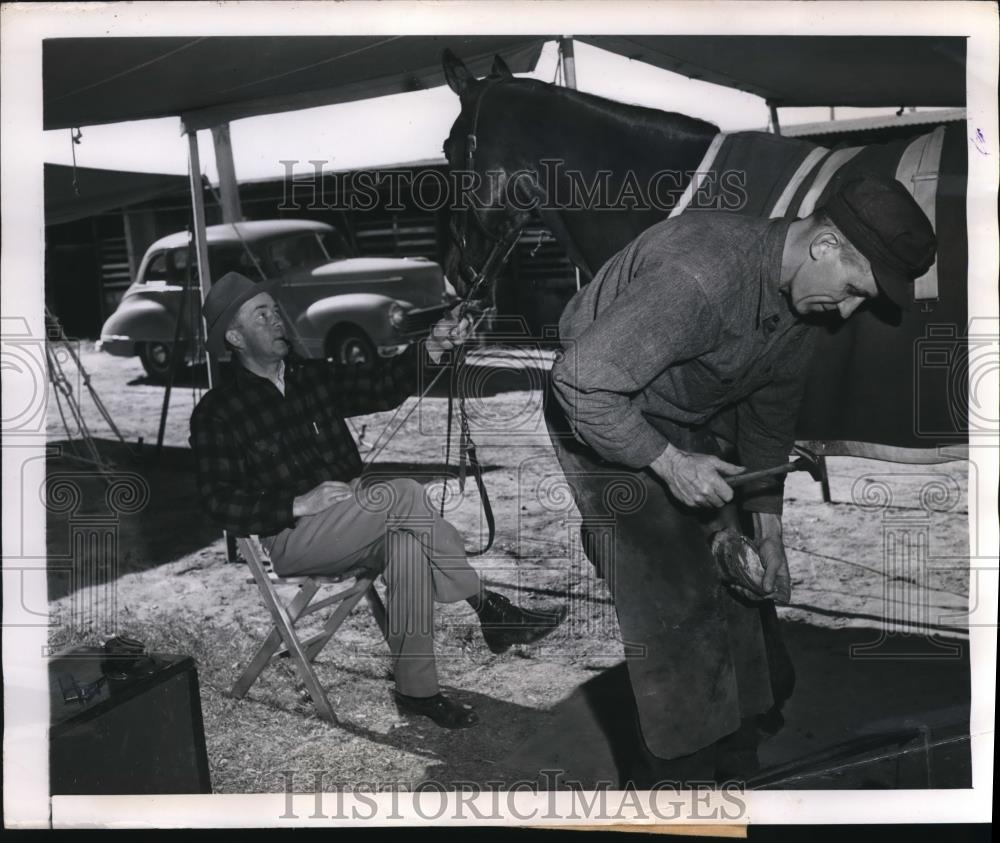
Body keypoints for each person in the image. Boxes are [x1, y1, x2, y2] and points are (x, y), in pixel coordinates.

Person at [545, 174, 937, 785]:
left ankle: (738, 753)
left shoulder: (800, 300)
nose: (850, 311)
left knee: (737, 582)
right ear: (824, 245)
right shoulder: (701, 276)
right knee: (673, 599)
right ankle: (680, 779)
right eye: (855, 289)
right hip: (597, 411)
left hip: (679, 412)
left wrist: (769, 528)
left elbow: (769, 414)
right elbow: (579, 384)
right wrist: (670, 464)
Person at [190, 272, 566, 730]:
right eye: (261, 314)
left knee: (408, 548)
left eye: (274, 310)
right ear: (234, 336)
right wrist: (294, 504)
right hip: (293, 537)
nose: (276, 321)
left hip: (358, 518)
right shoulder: (217, 412)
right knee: (404, 494)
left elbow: (382, 384)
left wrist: (433, 346)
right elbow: (217, 501)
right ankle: (488, 607)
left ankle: (418, 691)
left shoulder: (310, 376)